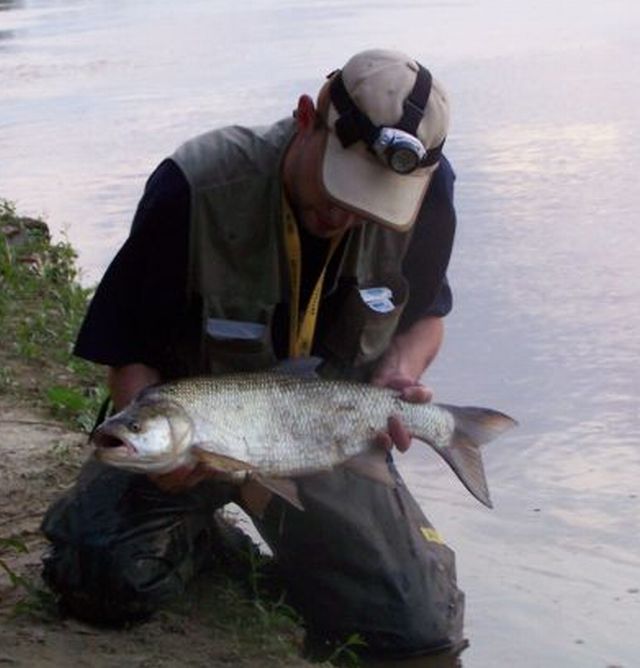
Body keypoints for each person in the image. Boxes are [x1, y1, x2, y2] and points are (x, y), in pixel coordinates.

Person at [41, 49, 466, 660]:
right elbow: (129, 351)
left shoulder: (428, 195)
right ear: (305, 118)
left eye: (372, 202)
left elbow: (427, 318)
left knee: (415, 633)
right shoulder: (193, 186)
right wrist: (157, 451)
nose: (344, 213)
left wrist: (400, 372)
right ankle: (207, 539)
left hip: (326, 440)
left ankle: (335, 560)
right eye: (340, 184)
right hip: (194, 428)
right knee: (96, 575)